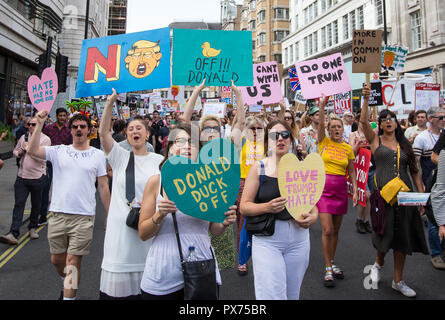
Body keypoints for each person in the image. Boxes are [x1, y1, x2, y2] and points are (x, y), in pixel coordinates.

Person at [138, 123, 236, 300]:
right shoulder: (156, 182)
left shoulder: (209, 181)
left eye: (192, 142)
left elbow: (215, 229)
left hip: (202, 265)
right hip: (163, 270)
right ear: (170, 148)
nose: (187, 146)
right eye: (180, 141)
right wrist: (159, 215)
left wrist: (225, 222)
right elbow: (143, 233)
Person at [27, 110, 110, 300]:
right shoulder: (59, 151)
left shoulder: (97, 155)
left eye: (83, 127)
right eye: (75, 127)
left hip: (83, 217)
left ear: (89, 130)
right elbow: (32, 151)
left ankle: (68, 296)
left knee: (72, 263)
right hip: (57, 215)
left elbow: (103, 186)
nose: (79, 129)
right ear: (70, 130)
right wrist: (39, 125)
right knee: (57, 260)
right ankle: (69, 283)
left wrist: (109, 214)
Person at [360, 83, 429, 298]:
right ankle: (379, 263)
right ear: (379, 125)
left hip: (405, 197)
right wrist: (365, 98)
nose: (388, 121)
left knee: (403, 238)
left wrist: (420, 197)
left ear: (396, 124)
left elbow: (415, 171)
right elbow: (362, 122)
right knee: (384, 235)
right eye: (384, 119)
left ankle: (398, 281)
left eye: (391, 118)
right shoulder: (375, 140)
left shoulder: (406, 144)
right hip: (383, 197)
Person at [240, 120, 318, 300]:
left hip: (299, 239)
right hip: (268, 239)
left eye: (285, 135)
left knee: (292, 294)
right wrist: (267, 207)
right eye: (275, 135)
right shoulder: (259, 168)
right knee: (271, 294)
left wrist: (312, 217)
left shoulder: (301, 167)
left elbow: (312, 205)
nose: (280, 139)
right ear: (268, 140)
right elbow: (244, 206)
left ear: (291, 139)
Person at [98, 89, 164, 300]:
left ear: (147, 134)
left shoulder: (159, 162)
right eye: (131, 129)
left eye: (139, 128)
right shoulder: (119, 156)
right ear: (126, 135)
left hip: (150, 230)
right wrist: (110, 104)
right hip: (122, 233)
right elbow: (103, 134)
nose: (135, 131)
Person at [317, 95, 358, 287]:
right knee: (327, 229)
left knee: (336, 230)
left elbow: (352, 171)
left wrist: (356, 191)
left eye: (338, 127)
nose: (335, 129)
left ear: (343, 129)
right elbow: (319, 129)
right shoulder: (323, 142)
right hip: (324, 191)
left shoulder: (348, 148)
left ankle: (332, 262)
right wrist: (323, 106)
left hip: (341, 190)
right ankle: (327, 267)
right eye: (332, 127)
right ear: (328, 129)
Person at [0, 117, 51, 245]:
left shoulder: (45, 139)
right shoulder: (24, 137)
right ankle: (13, 233)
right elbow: (14, 152)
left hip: (38, 177)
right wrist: (20, 152)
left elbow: (43, 157)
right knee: (19, 204)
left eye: (34, 124)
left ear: (40, 125)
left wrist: (29, 149)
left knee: (36, 204)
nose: (30, 127)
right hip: (22, 177)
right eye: (29, 124)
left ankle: (32, 227)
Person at [412, 106, 445, 269]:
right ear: (431, 119)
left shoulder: (444, 135)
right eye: (440, 117)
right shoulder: (422, 138)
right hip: (431, 185)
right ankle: (436, 253)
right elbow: (415, 166)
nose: (444, 120)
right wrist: (420, 187)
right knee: (434, 219)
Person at [40, 107, 73, 226]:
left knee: (62, 189)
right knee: (45, 188)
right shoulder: (48, 129)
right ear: (57, 116)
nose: (62, 118)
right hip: (48, 163)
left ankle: (61, 213)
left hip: (62, 164)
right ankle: (42, 215)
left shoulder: (69, 130)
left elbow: (71, 146)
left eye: (64, 115)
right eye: (60, 115)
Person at [349, 121, 374, 234]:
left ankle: (366, 221)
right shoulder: (353, 135)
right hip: (360, 168)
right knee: (365, 195)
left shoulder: (372, 134)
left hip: (372, 168)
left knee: (370, 197)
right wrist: (358, 144)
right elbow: (351, 154)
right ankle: (359, 220)